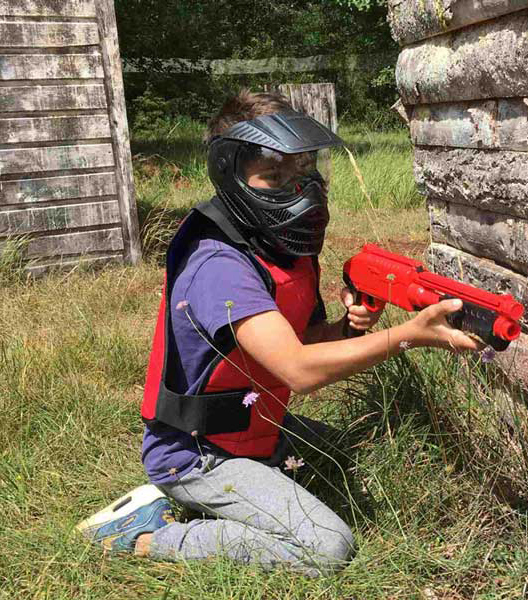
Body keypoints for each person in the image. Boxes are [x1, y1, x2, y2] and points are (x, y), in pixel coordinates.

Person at [76, 89, 480, 576]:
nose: (297, 191)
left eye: (302, 174)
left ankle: (250, 483)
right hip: (198, 452)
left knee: (362, 454)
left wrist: (344, 329)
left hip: (258, 427)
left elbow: (302, 342)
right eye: (273, 178)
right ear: (231, 175)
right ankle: (150, 535)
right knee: (326, 547)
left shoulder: (284, 248)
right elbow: (298, 370)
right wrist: (410, 335)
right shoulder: (220, 263)